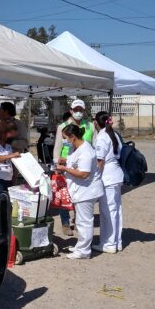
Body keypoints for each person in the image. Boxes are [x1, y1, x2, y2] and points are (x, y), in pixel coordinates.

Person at [56, 124, 104, 259]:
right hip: (79, 190)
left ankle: (84, 251)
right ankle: (80, 246)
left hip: (87, 191)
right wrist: (65, 161)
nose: (64, 140)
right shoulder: (75, 147)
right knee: (81, 222)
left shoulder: (86, 151)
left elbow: (84, 173)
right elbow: (75, 162)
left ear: (73, 137)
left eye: (65, 138)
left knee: (84, 222)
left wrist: (65, 169)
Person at [53, 100, 95, 236]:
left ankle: (78, 220)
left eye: (81, 110)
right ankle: (65, 223)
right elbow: (58, 147)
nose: (78, 112)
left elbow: (94, 145)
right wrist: (56, 164)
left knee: (81, 193)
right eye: (75, 109)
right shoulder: (63, 127)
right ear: (71, 110)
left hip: (82, 165)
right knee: (64, 194)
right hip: (65, 164)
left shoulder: (90, 126)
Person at [93, 111, 123, 253]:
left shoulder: (102, 137)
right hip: (116, 174)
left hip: (107, 176)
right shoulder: (114, 134)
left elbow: (100, 161)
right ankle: (116, 241)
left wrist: (96, 178)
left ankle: (109, 243)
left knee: (107, 211)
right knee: (116, 210)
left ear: (95, 122)